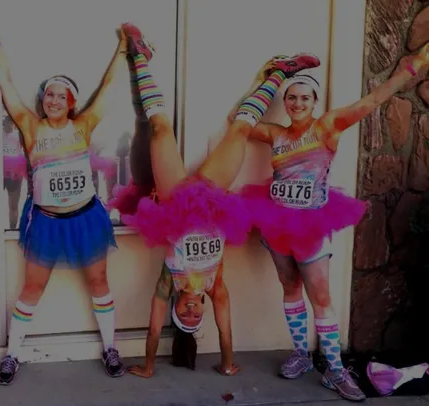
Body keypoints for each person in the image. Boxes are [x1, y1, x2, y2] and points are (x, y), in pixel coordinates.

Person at [106, 24, 320, 378]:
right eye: (196, 315)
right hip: (210, 197)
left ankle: (140, 57)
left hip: (176, 197)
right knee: (240, 130)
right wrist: (227, 362)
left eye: (184, 314)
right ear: (203, 308)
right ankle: (280, 73)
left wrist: (148, 366)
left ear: (176, 308)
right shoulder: (214, 287)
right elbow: (225, 328)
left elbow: (155, 328)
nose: (191, 311)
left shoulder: (169, 282)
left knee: (159, 128)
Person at [239, 40, 429, 402]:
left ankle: (335, 370)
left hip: (311, 224)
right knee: (289, 286)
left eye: (304, 98)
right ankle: (300, 354)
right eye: (291, 98)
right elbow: (239, 122)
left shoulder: (327, 127)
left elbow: (372, 101)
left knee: (321, 296)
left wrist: (413, 66)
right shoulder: (275, 134)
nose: (297, 104)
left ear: (315, 101)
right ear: (284, 102)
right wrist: (267, 79)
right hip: (277, 222)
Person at [0, 26, 128, 384]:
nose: (55, 100)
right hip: (46, 221)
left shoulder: (83, 125)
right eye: (49, 94)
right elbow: (8, 88)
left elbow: (108, 87)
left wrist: (123, 48)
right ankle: (12, 355)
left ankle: (110, 348)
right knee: (32, 288)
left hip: (86, 217)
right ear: (43, 98)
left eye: (62, 96)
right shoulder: (31, 127)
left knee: (99, 281)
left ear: (72, 102)